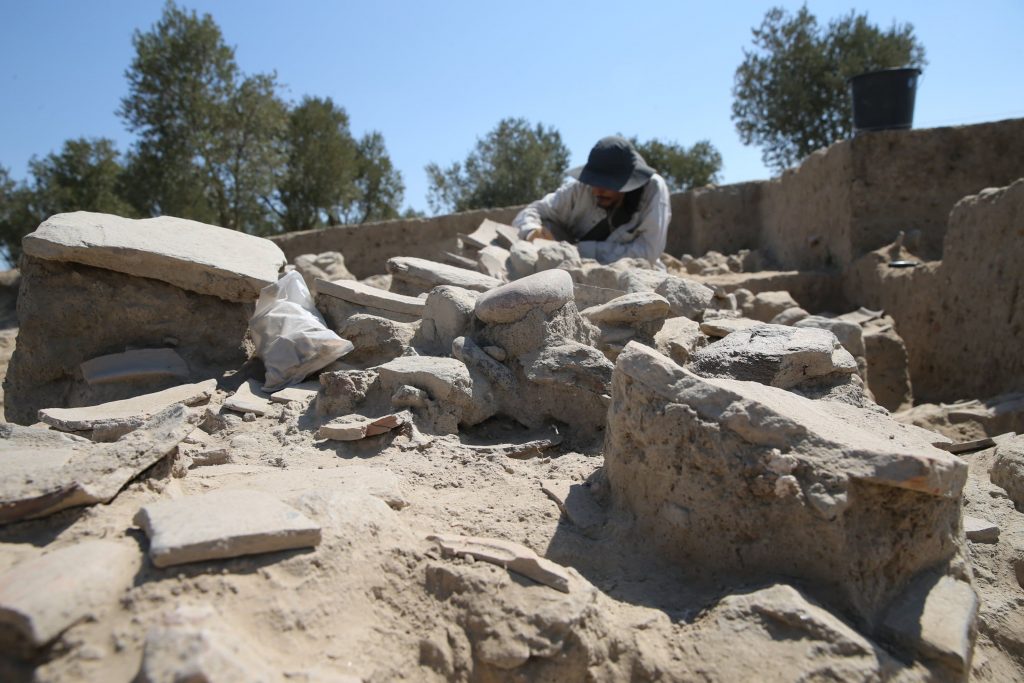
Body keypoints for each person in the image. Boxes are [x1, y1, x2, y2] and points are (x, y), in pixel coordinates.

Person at [513, 135, 671, 268]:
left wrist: (581, 251)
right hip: (570, 268)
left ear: (628, 182)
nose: (596, 191)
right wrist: (532, 232)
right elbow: (531, 211)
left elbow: (647, 252)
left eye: (605, 185)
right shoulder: (578, 190)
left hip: (635, 274)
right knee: (545, 224)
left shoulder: (653, 189)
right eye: (594, 182)